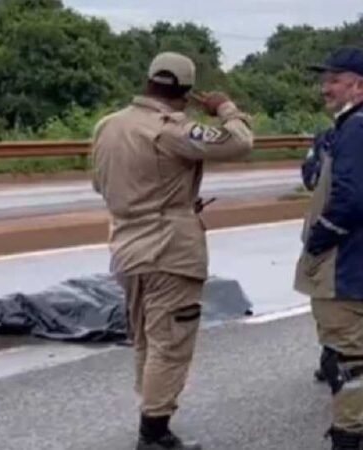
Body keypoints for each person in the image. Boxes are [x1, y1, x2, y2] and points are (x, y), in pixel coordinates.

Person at [91, 51, 254, 450]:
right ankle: (154, 432)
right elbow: (240, 142)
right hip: (170, 249)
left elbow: (100, 184)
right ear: (185, 91)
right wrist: (225, 109)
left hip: (127, 246)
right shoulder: (171, 130)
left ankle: (152, 415)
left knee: (147, 338)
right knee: (171, 342)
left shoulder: (107, 126)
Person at [294, 47, 363, 450]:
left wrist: (319, 239)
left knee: (343, 361)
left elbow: (351, 199)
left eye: (334, 80)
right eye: (326, 80)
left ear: (359, 85)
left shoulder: (356, 128)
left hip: (347, 266)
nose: (326, 87)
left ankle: (349, 436)